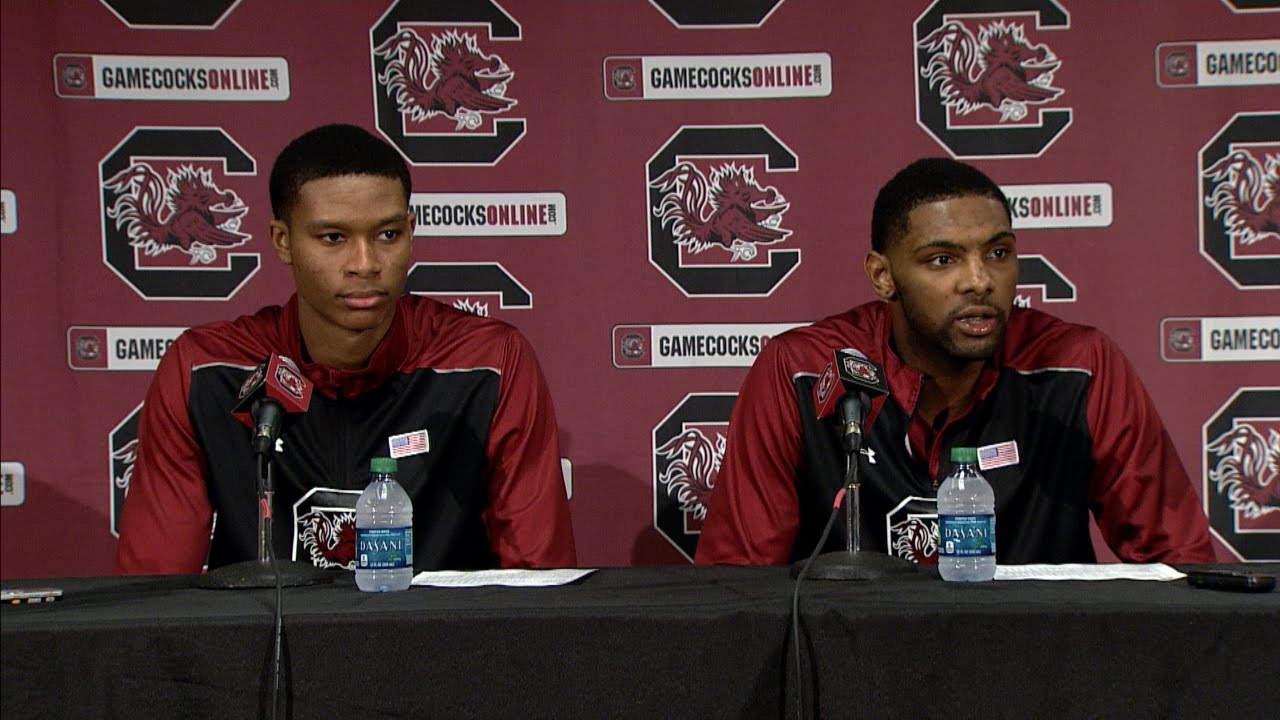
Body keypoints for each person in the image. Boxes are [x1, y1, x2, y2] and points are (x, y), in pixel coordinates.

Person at [694, 157, 1214, 566]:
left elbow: (1178, 566)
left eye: (998, 253)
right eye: (942, 260)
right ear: (882, 276)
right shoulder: (801, 373)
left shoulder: (1079, 368)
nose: (980, 281)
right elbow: (737, 588)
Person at [116, 124, 576, 574]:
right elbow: (155, 599)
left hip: (440, 649)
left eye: (388, 235)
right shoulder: (206, 370)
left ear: (411, 233)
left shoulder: (489, 364)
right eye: (333, 238)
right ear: (283, 241)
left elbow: (539, 591)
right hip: (266, 651)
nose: (365, 264)